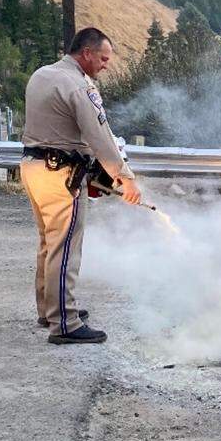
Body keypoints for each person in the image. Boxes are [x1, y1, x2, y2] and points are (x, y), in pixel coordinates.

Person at [20, 27, 142, 344]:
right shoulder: (79, 86)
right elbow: (100, 137)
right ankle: (66, 323)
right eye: (102, 58)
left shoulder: (42, 75)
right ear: (86, 53)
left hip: (33, 167)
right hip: (61, 174)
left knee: (48, 242)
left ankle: (50, 310)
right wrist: (125, 177)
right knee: (65, 247)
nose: (105, 65)